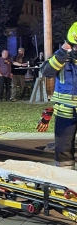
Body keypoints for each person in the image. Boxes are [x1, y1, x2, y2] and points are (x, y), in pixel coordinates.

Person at [38, 22, 77, 170]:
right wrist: (62, 53)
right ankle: (65, 183)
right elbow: (46, 71)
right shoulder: (61, 58)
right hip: (64, 112)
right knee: (63, 150)